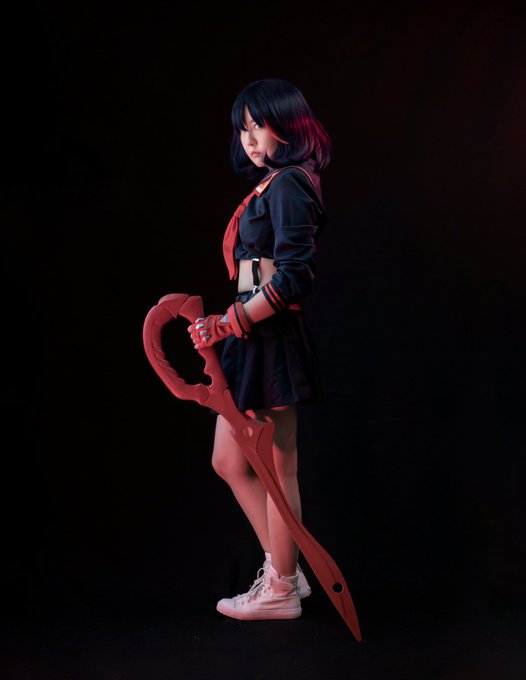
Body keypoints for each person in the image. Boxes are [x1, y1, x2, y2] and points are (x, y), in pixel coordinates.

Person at [187, 77, 331, 620]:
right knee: (229, 460)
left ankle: (282, 588)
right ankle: (284, 571)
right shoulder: (274, 183)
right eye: (243, 128)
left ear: (288, 124)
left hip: (270, 335)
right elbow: (259, 271)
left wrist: (232, 321)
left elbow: (294, 276)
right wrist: (231, 323)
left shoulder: (291, 182)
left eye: (259, 125)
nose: (250, 139)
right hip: (250, 332)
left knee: (277, 466)